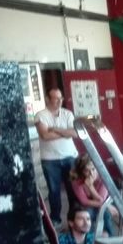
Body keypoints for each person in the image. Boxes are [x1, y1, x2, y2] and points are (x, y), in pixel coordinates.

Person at [36, 88, 78, 227]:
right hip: (50, 160)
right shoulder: (41, 115)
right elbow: (45, 135)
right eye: (56, 98)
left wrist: (55, 129)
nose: (60, 101)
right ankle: (55, 219)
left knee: (73, 189)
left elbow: (75, 133)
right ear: (48, 99)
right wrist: (65, 133)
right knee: (54, 191)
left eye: (61, 98)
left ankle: (74, 218)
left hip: (70, 157)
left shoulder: (68, 114)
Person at [70, 154, 118, 235]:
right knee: (87, 214)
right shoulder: (77, 181)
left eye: (93, 169)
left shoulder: (103, 178)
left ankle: (110, 237)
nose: (91, 173)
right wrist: (107, 206)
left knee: (105, 213)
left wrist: (90, 187)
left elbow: (101, 199)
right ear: (81, 172)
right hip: (88, 205)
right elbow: (84, 201)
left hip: (105, 202)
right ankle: (90, 238)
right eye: (87, 170)